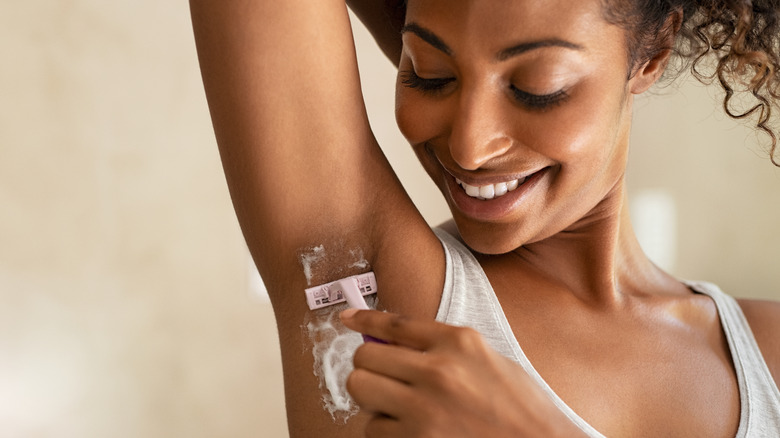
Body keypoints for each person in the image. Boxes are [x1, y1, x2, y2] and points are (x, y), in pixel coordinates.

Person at [189, 0, 780, 436]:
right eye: (428, 73)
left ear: (651, 54)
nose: (471, 147)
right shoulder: (369, 291)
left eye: (536, 88)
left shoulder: (769, 355)